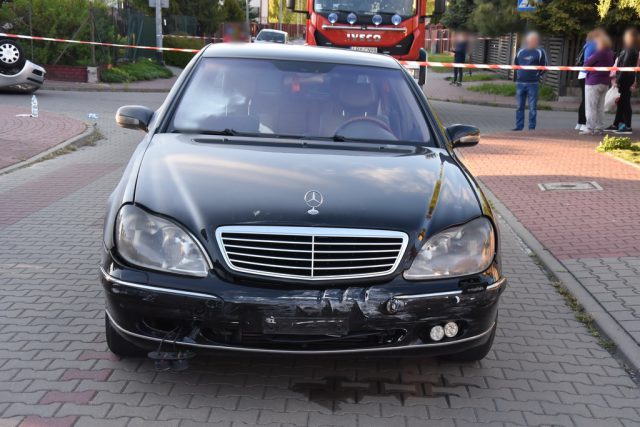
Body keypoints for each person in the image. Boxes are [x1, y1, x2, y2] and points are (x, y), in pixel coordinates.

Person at [581, 32, 615, 135]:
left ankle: (590, 128)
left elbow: (586, 63)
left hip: (593, 82)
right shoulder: (610, 53)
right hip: (605, 82)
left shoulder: (599, 53)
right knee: (600, 107)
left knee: (591, 106)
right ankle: (599, 127)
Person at [513, 31, 547, 131]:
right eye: (531, 40)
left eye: (535, 40)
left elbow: (544, 66)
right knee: (519, 106)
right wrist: (520, 74)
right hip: (520, 83)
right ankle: (519, 126)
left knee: (532, 107)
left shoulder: (540, 52)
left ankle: (531, 128)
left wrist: (537, 75)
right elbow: (516, 64)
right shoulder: (520, 51)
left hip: (533, 83)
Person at [606, 28, 639, 134]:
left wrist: (618, 80)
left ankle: (628, 126)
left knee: (625, 102)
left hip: (625, 79)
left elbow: (624, 65)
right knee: (621, 102)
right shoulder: (631, 49)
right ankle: (616, 124)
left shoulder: (630, 49)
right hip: (626, 78)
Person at [575, 30, 598, 131]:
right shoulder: (593, 45)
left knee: (584, 99)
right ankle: (584, 123)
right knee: (587, 100)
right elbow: (588, 60)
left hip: (583, 74)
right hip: (587, 75)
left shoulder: (587, 45)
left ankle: (580, 123)